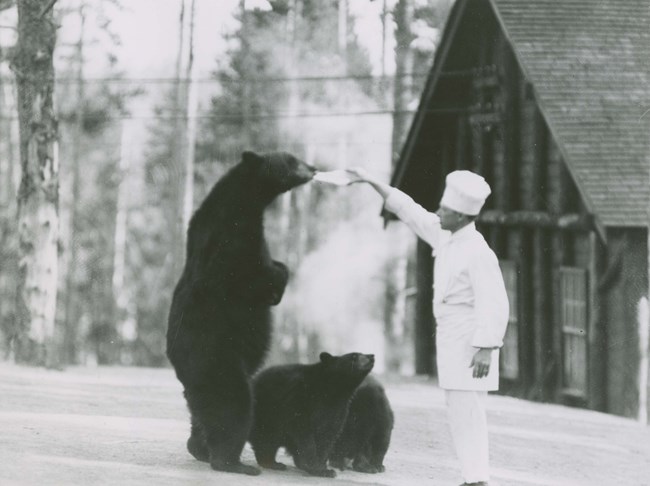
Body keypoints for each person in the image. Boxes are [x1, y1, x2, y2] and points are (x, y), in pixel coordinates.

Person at [346, 167, 509, 486]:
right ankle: (474, 477)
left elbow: (495, 301)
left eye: (445, 210)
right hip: (453, 337)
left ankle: (477, 479)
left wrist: (486, 347)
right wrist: (371, 180)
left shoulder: (478, 252)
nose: (438, 212)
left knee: (468, 412)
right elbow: (410, 211)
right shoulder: (446, 234)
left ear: (462, 216)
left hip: (470, 340)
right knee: (460, 410)